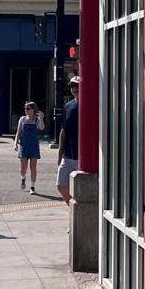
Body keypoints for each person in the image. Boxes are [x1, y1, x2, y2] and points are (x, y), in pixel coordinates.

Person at [55, 76, 79, 207]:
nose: (74, 89)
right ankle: (74, 210)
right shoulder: (68, 106)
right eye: (72, 86)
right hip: (68, 154)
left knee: (81, 189)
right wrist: (60, 153)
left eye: (77, 86)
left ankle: (77, 213)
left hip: (84, 156)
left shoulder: (90, 104)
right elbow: (63, 130)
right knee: (61, 185)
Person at [15, 100, 45, 194]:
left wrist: (41, 118)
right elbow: (18, 132)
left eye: (28, 109)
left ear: (33, 110)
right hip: (24, 145)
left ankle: (32, 187)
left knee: (33, 166)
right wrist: (15, 143)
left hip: (33, 146)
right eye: (25, 108)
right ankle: (23, 178)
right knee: (23, 167)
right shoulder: (22, 119)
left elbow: (41, 127)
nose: (26, 110)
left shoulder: (36, 120)